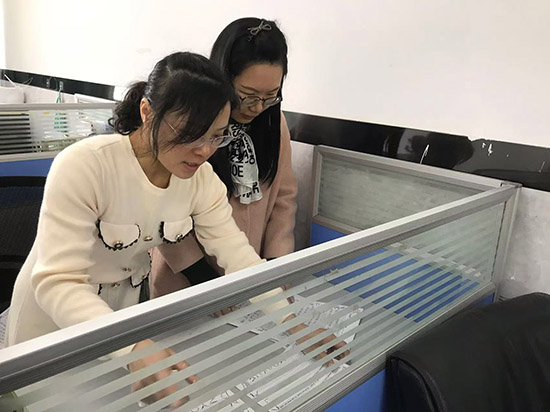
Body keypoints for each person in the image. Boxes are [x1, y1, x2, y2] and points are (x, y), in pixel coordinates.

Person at [6, 51, 286, 407]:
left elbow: (238, 256)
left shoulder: (200, 180)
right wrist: (132, 346)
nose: (203, 151)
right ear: (147, 112)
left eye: (216, 137)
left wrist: (291, 320)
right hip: (51, 326)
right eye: (190, 134)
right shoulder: (86, 165)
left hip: (120, 322)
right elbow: (57, 281)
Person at [150, 17, 298, 296]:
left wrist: (276, 262)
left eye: (271, 96)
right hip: (187, 275)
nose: (258, 107)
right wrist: (202, 277)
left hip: (247, 265)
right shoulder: (191, 128)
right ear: (224, 79)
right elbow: (163, 209)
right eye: (248, 95)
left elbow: (284, 198)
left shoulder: (273, 125)